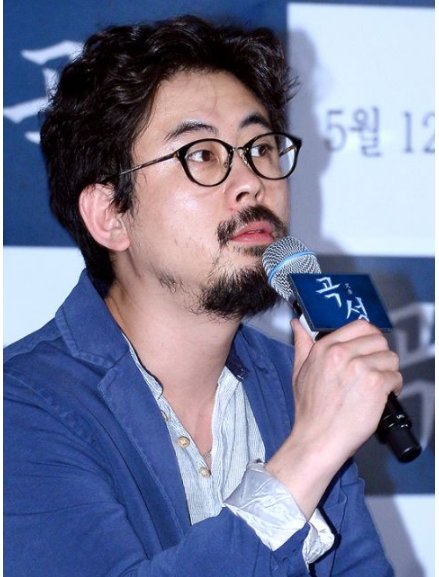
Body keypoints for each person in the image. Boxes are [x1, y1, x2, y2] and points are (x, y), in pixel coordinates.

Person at [4, 15, 401, 576]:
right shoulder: (24, 404)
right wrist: (310, 450)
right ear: (111, 215)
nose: (252, 181)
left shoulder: (297, 382)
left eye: (260, 147)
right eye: (202, 154)